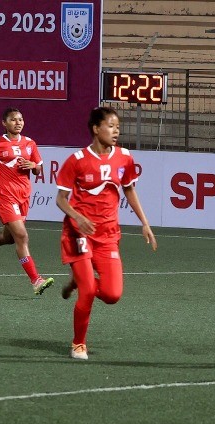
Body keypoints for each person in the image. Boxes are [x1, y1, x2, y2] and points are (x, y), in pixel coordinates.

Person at [55, 107, 158, 361]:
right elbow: (61, 199)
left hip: (108, 235)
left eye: (118, 127)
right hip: (79, 234)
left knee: (112, 295)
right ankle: (78, 344)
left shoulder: (124, 157)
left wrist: (145, 223)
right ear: (96, 128)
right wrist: (78, 217)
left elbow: (129, 190)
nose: (116, 131)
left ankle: (78, 281)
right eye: (111, 126)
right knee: (89, 291)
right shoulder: (77, 160)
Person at [0, 107, 55, 295]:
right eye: (13, 119)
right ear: (4, 123)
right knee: (22, 236)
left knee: (8, 238)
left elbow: (39, 169)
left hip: (23, 195)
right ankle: (36, 280)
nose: (18, 122)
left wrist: (33, 165)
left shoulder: (30, 143)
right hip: (5, 195)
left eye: (20, 119)